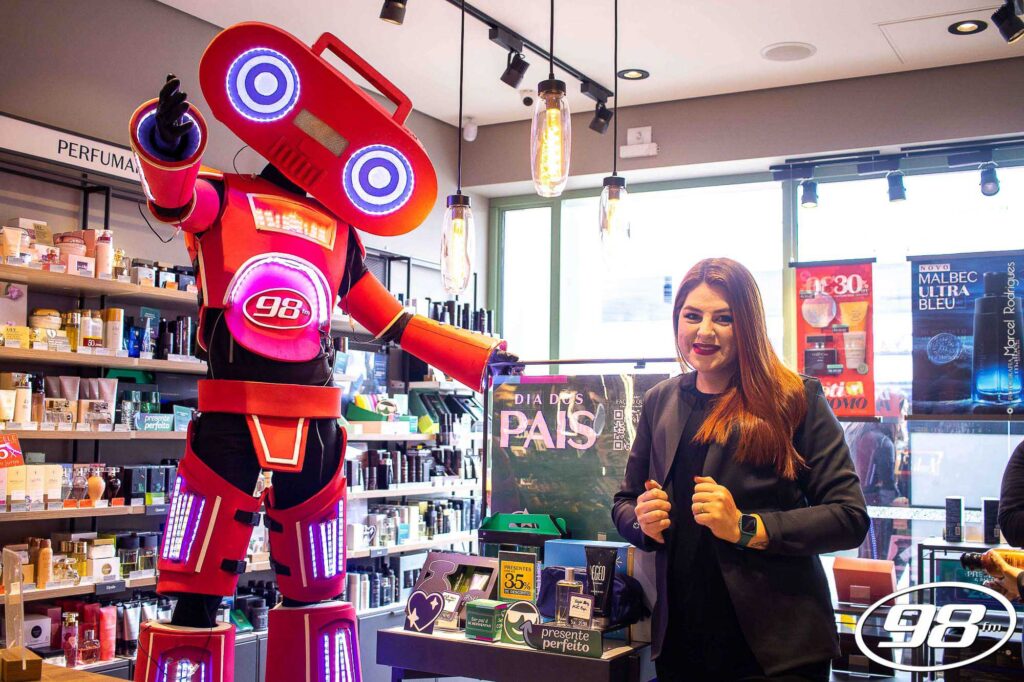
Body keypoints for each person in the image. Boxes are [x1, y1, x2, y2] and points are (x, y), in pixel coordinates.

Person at [612, 258, 869, 681]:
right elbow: (624, 502)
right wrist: (643, 522)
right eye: (692, 316)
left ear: (748, 325)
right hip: (682, 645)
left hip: (776, 653)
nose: (704, 331)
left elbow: (849, 517)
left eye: (724, 318)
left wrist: (745, 527)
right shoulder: (660, 400)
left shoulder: (795, 398)